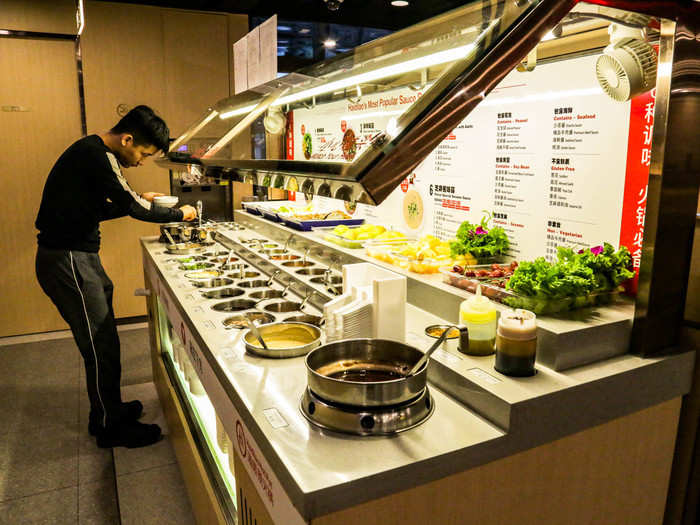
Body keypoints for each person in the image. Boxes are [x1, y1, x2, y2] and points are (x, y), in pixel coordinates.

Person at [35, 105, 196, 448]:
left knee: (105, 339)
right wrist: (178, 213)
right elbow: (133, 208)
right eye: (142, 153)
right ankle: (108, 428)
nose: (140, 161)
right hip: (68, 260)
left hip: (77, 257)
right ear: (127, 139)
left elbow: (102, 208)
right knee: (99, 345)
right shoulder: (98, 154)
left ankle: (111, 410)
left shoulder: (93, 152)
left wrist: (139, 199)